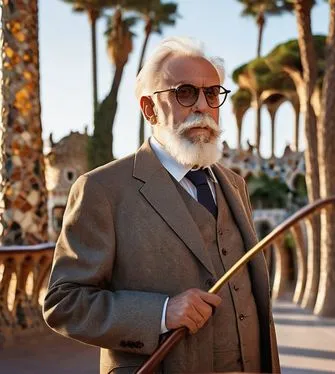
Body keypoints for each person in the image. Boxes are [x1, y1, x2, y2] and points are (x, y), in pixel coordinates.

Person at [43, 37, 280, 374]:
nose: (202, 106)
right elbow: (64, 303)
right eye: (185, 92)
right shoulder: (101, 189)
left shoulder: (234, 184)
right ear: (149, 109)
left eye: (212, 93)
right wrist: (161, 312)